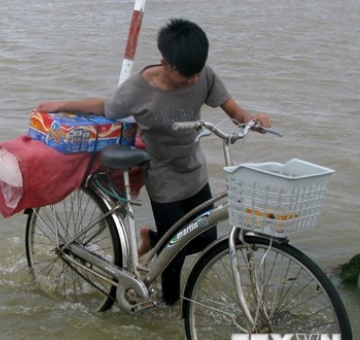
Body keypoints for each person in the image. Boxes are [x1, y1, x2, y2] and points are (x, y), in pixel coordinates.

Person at [36, 18, 271, 305]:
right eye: (187, 75)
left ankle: (153, 239)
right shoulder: (138, 89)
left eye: (197, 72)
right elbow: (106, 108)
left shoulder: (204, 75)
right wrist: (61, 105)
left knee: (205, 238)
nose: (194, 80)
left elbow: (232, 108)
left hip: (193, 170)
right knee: (176, 254)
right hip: (162, 177)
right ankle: (168, 309)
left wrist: (251, 121)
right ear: (166, 63)